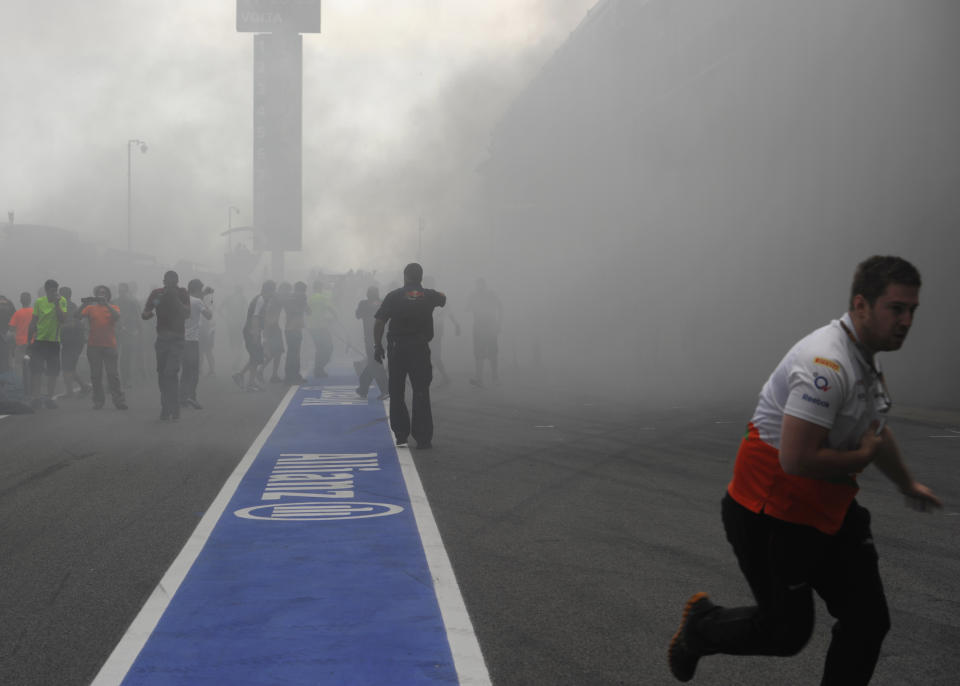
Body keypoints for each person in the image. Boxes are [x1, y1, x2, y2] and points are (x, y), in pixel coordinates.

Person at [667, 256, 942, 686]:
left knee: (868, 622)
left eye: (913, 310)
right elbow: (796, 459)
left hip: (826, 508)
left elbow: (876, 431)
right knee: (786, 634)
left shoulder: (865, 358)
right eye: (896, 308)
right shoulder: (825, 365)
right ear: (861, 304)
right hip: (771, 515)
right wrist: (862, 457)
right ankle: (700, 628)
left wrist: (906, 483)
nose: (907, 320)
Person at [373, 263, 446, 448]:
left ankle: (401, 435)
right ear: (420, 277)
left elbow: (380, 322)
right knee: (421, 391)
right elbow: (443, 298)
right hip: (419, 348)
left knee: (397, 391)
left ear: (405, 276)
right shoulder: (429, 295)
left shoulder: (393, 296)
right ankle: (423, 438)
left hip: (397, 348)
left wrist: (377, 346)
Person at [142, 271, 190, 421]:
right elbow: (146, 313)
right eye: (167, 281)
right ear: (163, 281)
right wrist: (157, 302)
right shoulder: (157, 293)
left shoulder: (182, 293)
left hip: (177, 339)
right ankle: (166, 408)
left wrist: (174, 297)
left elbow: (186, 313)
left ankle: (174, 408)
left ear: (177, 281)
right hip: (162, 339)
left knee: (171, 373)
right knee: (162, 374)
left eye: (173, 281)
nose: (170, 283)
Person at [80, 285, 127, 410]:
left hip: (109, 345)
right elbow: (77, 315)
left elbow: (116, 316)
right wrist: (84, 304)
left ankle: (119, 400)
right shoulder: (90, 308)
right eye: (99, 293)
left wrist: (106, 304)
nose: (102, 295)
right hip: (94, 345)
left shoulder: (113, 307)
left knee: (112, 374)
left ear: (108, 295)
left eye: (104, 293)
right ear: (96, 294)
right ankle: (98, 401)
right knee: (96, 375)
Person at [28, 279, 67, 409]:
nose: (53, 292)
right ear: (46, 290)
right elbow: (34, 321)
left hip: (54, 341)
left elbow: (62, 320)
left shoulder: (62, 301)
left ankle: (49, 398)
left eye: (55, 290)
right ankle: (36, 398)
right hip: (39, 341)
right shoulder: (39, 302)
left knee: (52, 371)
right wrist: (29, 340)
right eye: (51, 290)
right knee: (36, 370)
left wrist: (57, 304)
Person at [234, 280, 274, 392]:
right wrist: (256, 333)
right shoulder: (260, 299)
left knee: (255, 357)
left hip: (254, 331)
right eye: (273, 291)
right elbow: (255, 317)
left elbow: (262, 318)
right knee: (256, 357)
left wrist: (262, 334)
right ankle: (248, 382)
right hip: (251, 331)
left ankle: (243, 377)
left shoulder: (264, 300)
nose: (273, 294)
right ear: (269, 290)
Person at [179, 278, 212, 410]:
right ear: (198, 290)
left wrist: (203, 295)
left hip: (180, 339)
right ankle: (191, 396)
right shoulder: (198, 301)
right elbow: (209, 315)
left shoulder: (182, 299)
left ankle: (182, 397)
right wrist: (205, 300)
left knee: (185, 370)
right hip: (192, 340)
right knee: (194, 371)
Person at [466, 277, 503, 387]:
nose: (480, 287)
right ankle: (479, 379)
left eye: (481, 285)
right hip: (478, 327)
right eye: (478, 285)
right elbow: (467, 308)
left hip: (490, 326)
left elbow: (500, 307)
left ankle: (495, 378)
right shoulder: (473, 295)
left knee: (493, 353)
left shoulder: (491, 295)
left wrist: (499, 324)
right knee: (478, 353)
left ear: (485, 285)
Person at [424, 277, 460, 388]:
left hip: (436, 328)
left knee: (433, 354)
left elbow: (449, 312)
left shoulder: (438, 296)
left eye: (429, 283)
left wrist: (456, 324)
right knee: (429, 353)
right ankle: (442, 377)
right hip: (427, 327)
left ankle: (440, 377)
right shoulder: (423, 296)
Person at [355, 285, 388, 400]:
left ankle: (385, 390)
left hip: (371, 339)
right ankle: (363, 388)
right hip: (383, 338)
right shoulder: (383, 302)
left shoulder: (364, 304)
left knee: (376, 364)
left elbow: (357, 315)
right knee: (374, 363)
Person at [58, 286, 91, 398]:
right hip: (70, 340)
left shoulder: (70, 306)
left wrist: (58, 327)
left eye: (60, 294)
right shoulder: (66, 306)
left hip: (74, 340)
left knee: (67, 366)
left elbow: (72, 324)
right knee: (69, 366)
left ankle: (69, 391)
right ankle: (83, 386)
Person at [307, 280, 337, 378]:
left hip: (312, 327)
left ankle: (318, 369)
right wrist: (335, 317)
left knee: (319, 349)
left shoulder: (310, 299)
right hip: (321, 327)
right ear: (320, 288)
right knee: (329, 348)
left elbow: (307, 311)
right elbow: (330, 309)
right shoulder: (323, 298)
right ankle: (319, 368)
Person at [116, 282, 144, 389]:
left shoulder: (132, 302)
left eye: (123, 291)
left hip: (129, 333)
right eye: (120, 291)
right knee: (114, 357)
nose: (121, 293)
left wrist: (139, 331)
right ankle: (113, 380)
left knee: (125, 358)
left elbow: (138, 317)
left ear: (127, 291)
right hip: (117, 332)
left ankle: (126, 380)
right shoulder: (115, 301)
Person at [283, 281, 310, 384]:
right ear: (303, 289)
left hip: (288, 328)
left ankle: (289, 376)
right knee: (295, 353)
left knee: (291, 353)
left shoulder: (289, 297)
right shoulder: (302, 296)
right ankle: (294, 376)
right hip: (296, 328)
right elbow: (308, 311)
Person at [8, 292, 33, 384]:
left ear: (20, 301)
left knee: (19, 365)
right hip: (31, 343)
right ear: (30, 301)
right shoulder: (34, 312)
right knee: (30, 365)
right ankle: (31, 385)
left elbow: (11, 328)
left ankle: (20, 385)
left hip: (20, 343)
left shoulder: (17, 313)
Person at [263, 282, 286, 383]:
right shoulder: (275, 298)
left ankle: (272, 374)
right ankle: (270, 374)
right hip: (271, 327)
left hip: (272, 326)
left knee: (276, 352)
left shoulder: (270, 298)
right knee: (275, 352)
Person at [200, 285, 216, 376]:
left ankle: (210, 370)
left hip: (207, 329)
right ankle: (204, 369)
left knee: (205, 350)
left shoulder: (208, 303)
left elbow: (209, 317)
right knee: (204, 351)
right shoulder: (208, 302)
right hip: (206, 328)